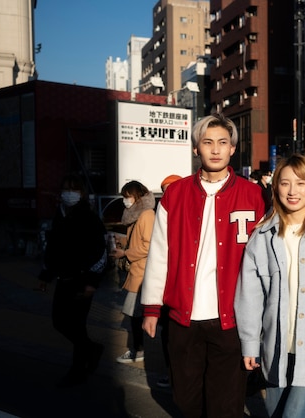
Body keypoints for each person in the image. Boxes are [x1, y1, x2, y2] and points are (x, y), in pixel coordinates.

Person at [140, 113, 266, 418]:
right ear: (196, 147)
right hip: (183, 316)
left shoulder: (254, 195)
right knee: (185, 399)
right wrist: (151, 308)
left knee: (226, 403)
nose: (215, 149)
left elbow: (265, 261)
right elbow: (160, 253)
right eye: (207, 142)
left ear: (233, 148)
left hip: (232, 318)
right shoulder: (176, 193)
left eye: (223, 142)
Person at [235, 154, 305, 417]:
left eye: (301, 183)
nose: (292, 191)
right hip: (276, 350)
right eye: (285, 183)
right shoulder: (262, 237)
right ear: (276, 188)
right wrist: (250, 343)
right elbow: (250, 296)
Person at [38, 174, 107, 387]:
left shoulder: (89, 217)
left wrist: (91, 282)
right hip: (62, 279)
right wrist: (46, 275)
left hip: (81, 280)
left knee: (78, 325)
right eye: (66, 188)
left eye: (74, 189)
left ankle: (78, 372)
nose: (69, 193)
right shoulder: (60, 215)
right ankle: (92, 349)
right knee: (59, 322)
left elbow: (101, 252)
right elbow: (52, 249)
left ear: (82, 193)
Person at [111, 181, 156, 364]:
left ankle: (137, 350)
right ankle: (138, 349)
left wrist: (126, 253)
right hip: (137, 272)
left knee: (135, 314)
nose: (125, 200)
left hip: (142, 273)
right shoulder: (135, 215)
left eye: (127, 196)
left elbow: (148, 245)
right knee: (135, 315)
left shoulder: (146, 215)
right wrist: (122, 244)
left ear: (137, 196)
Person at [155, 173, 183, 389]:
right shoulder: (162, 213)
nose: (168, 194)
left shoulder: (191, 211)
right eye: (165, 190)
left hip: (183, 288)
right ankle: (173, 373)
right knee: (168, 336)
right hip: (166, 288)